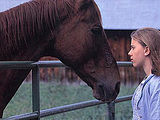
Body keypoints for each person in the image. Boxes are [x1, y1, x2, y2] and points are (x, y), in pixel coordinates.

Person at [128, 27, 160, 120]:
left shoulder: (157, 84)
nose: (129, 53)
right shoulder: (148, 81)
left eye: (133, 48)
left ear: (146, 50)